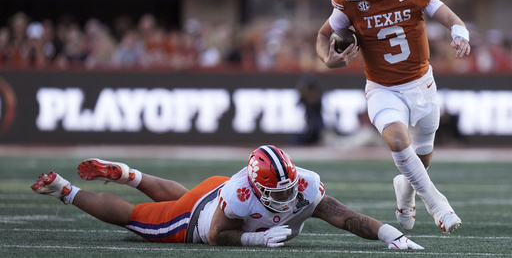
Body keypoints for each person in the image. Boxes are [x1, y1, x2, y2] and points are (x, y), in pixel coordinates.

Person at [316, 0, 470, 234]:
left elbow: (453, 20)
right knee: (399, 142)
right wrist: (327, 59)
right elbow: (323, 36)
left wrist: (460, 34)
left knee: (420, 160)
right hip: (382, 88)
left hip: (422, 85)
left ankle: (405, 189)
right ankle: (436, 202)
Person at [31, 145, 423, 250]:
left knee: (182, 199)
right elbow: (217, 235)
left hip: (213, 189)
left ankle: (131, 174)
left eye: (289, 188)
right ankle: (64, 189)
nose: (287, 196)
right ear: (255, 187)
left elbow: (343, 215)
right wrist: (254, 238)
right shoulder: (240, 195)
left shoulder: (303, 182)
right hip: (200, 218)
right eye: (277, 191)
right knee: (137, 218)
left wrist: (390, 234)